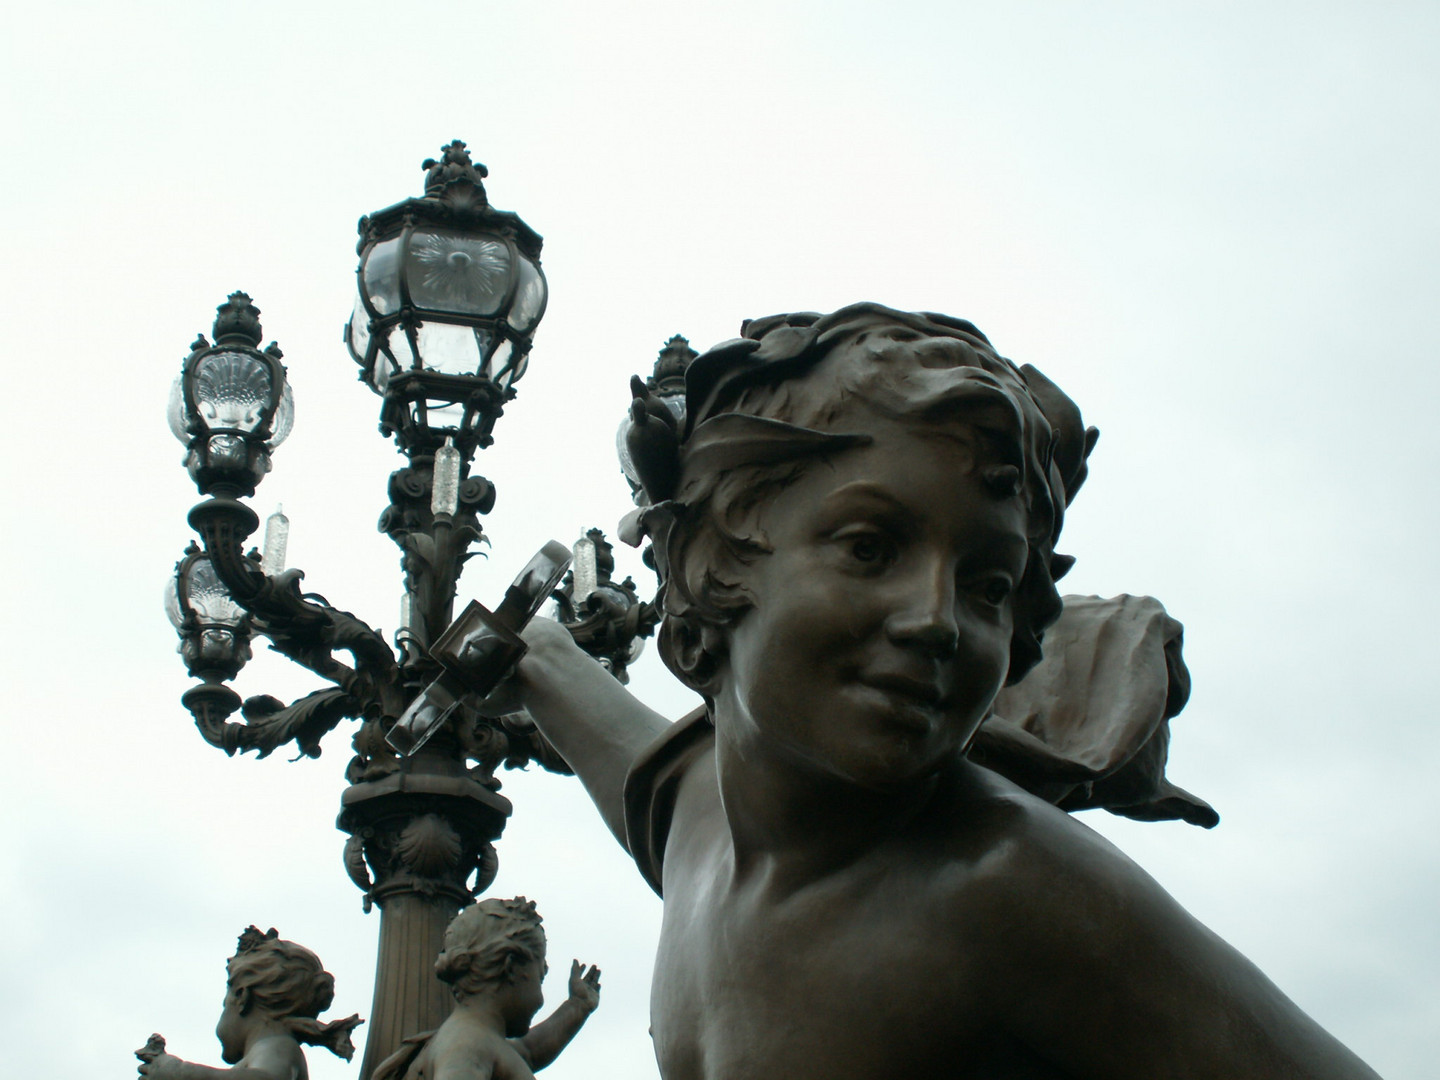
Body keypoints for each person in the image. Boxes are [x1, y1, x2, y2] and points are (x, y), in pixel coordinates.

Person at [498, 303, 1383, 1079]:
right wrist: (523, 647)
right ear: (710, 583)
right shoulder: (697, 820)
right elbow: (610, 739)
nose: (937, 620)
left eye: (990, 585)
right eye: (869, 548)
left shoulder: (1007, 884)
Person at [371, 896, 602, 1080]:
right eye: (539, 977)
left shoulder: (480, 1039)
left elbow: (530, 1050)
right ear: (510, 967)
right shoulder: (467, 1045)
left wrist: (578, 1007)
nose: (541, 998)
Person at [136, 926, 362, 1080]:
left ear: (242, 998)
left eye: (225, 1006)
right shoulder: (266, 1051)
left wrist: (181, 1072)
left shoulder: (278, 1046)